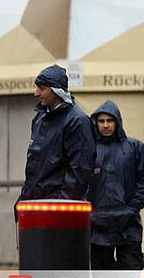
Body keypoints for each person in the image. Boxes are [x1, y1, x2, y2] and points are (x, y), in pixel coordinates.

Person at [88, 100, 144, 270]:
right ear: (96, 123)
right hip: (98, 227)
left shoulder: (135, 148)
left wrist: (132, 208)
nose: (105, 125)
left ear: (118, 122)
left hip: (129, 225)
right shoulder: (89, 150)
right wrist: (91, 214)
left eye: (109, 121)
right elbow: (80, 182)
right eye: (101, 121)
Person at [20, 64, 94, 202]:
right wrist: (22, 199)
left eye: (41, 88)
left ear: (56, 90)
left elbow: (79, 170)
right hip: (33, 205)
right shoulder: (39, 119)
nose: (36, 93)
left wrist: (62, 202)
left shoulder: (77, 121)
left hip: (58, 209)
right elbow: (33, 167)